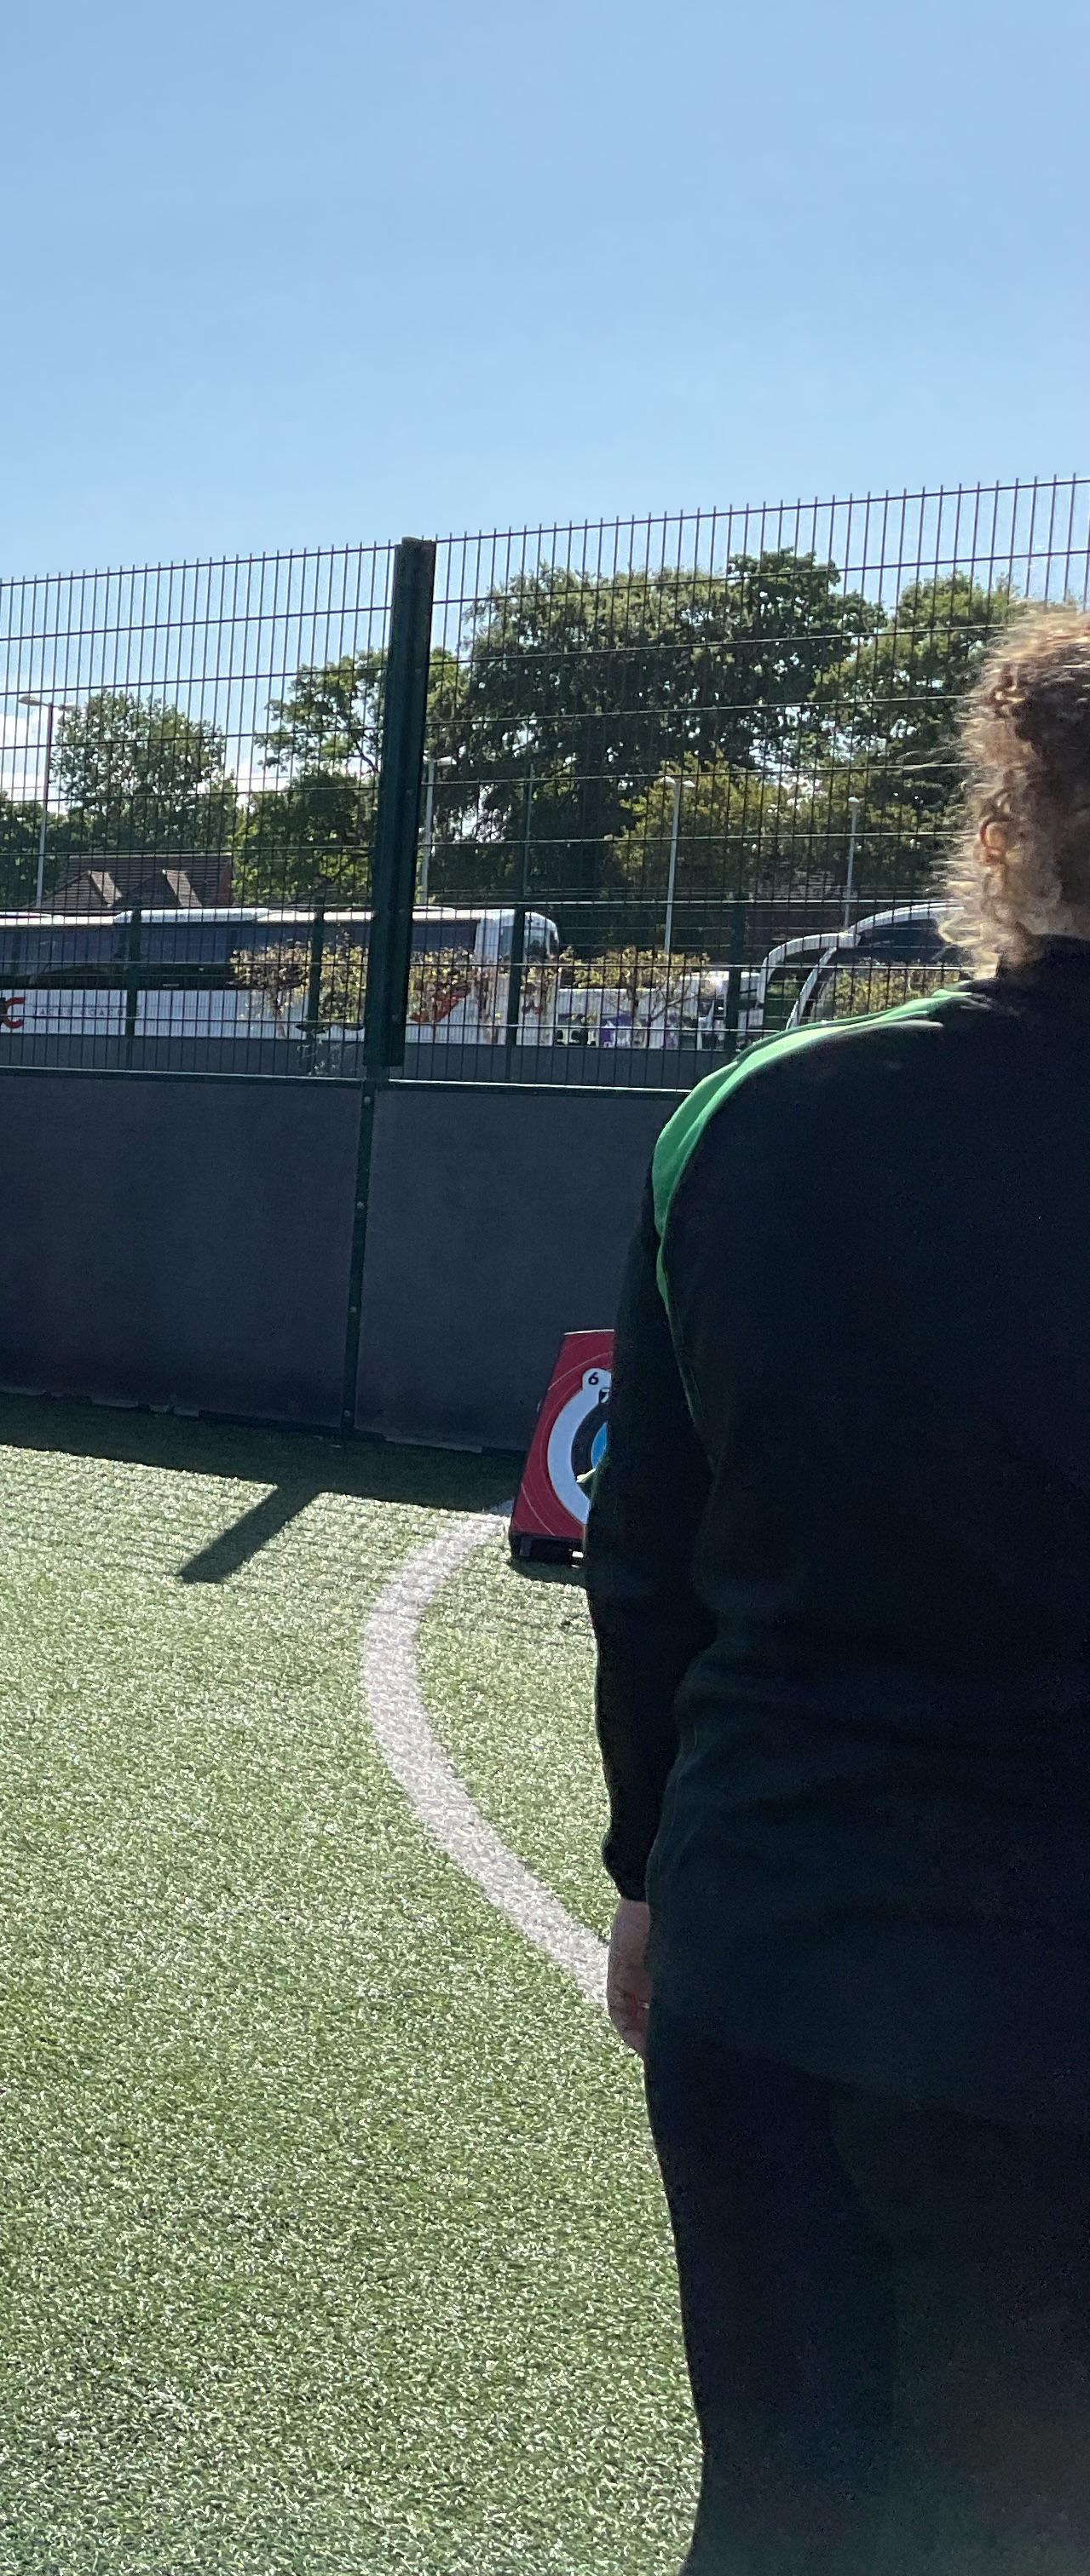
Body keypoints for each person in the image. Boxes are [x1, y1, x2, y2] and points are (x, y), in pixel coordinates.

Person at [587, 607, 1090, 2574]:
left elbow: (650, 1563)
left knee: (784, 2510)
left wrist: (656, 1876)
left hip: (771, 1958)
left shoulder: (759, 1119)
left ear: (1004, 822)